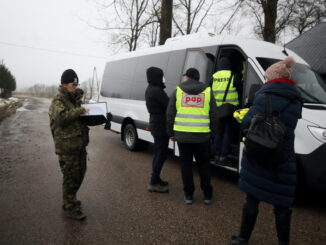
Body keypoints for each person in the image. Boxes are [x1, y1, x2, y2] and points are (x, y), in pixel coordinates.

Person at [230, 57, 302, 245]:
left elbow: (247, 123)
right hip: (283, 158)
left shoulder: (264, 95)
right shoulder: (296, 100)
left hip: (260, 156)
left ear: (272, 77)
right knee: (282, 205)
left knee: (252, 199)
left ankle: (243, 239)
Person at [166, 68, 218, 205]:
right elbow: (214, 114)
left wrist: (171, 133)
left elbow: (170, 113)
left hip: (183, 137)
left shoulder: (178, 90)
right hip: (202, 137)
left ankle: (188, 195)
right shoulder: (207, 91)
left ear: (188, 78)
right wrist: (212, 134)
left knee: (186, 166)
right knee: (204, 166)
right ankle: (207, 195)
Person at [48, 69, 90, 220]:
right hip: (67, 147)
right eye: (73, 84)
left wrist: (102, 117)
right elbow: (61, 118)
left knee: (80, 173)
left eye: (77, 84)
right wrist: (80, 110)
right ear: (64, 84)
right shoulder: (58, 101)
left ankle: (70, 199)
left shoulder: (74, 100)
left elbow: (82, 118)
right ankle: (70, 205)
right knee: (70, 177)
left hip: (79, 145)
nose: (76, 87)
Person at [211, 57, 241, 164]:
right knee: (227, 133)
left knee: (218, 133)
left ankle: (216, 155)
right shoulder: (233, 75)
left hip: (217, 109)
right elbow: (239, 88)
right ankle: (223, 156)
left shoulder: (213, 76)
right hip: (230, 110)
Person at [145, 67, 169, 193]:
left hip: (156, 123)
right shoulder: (157, 90)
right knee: (161, 153)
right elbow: (169, 103)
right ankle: (153, 182)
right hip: (160, 124)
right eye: (161, 76)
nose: (162, 78)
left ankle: (156, 177)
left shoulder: (150, 89)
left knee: (158, 152)